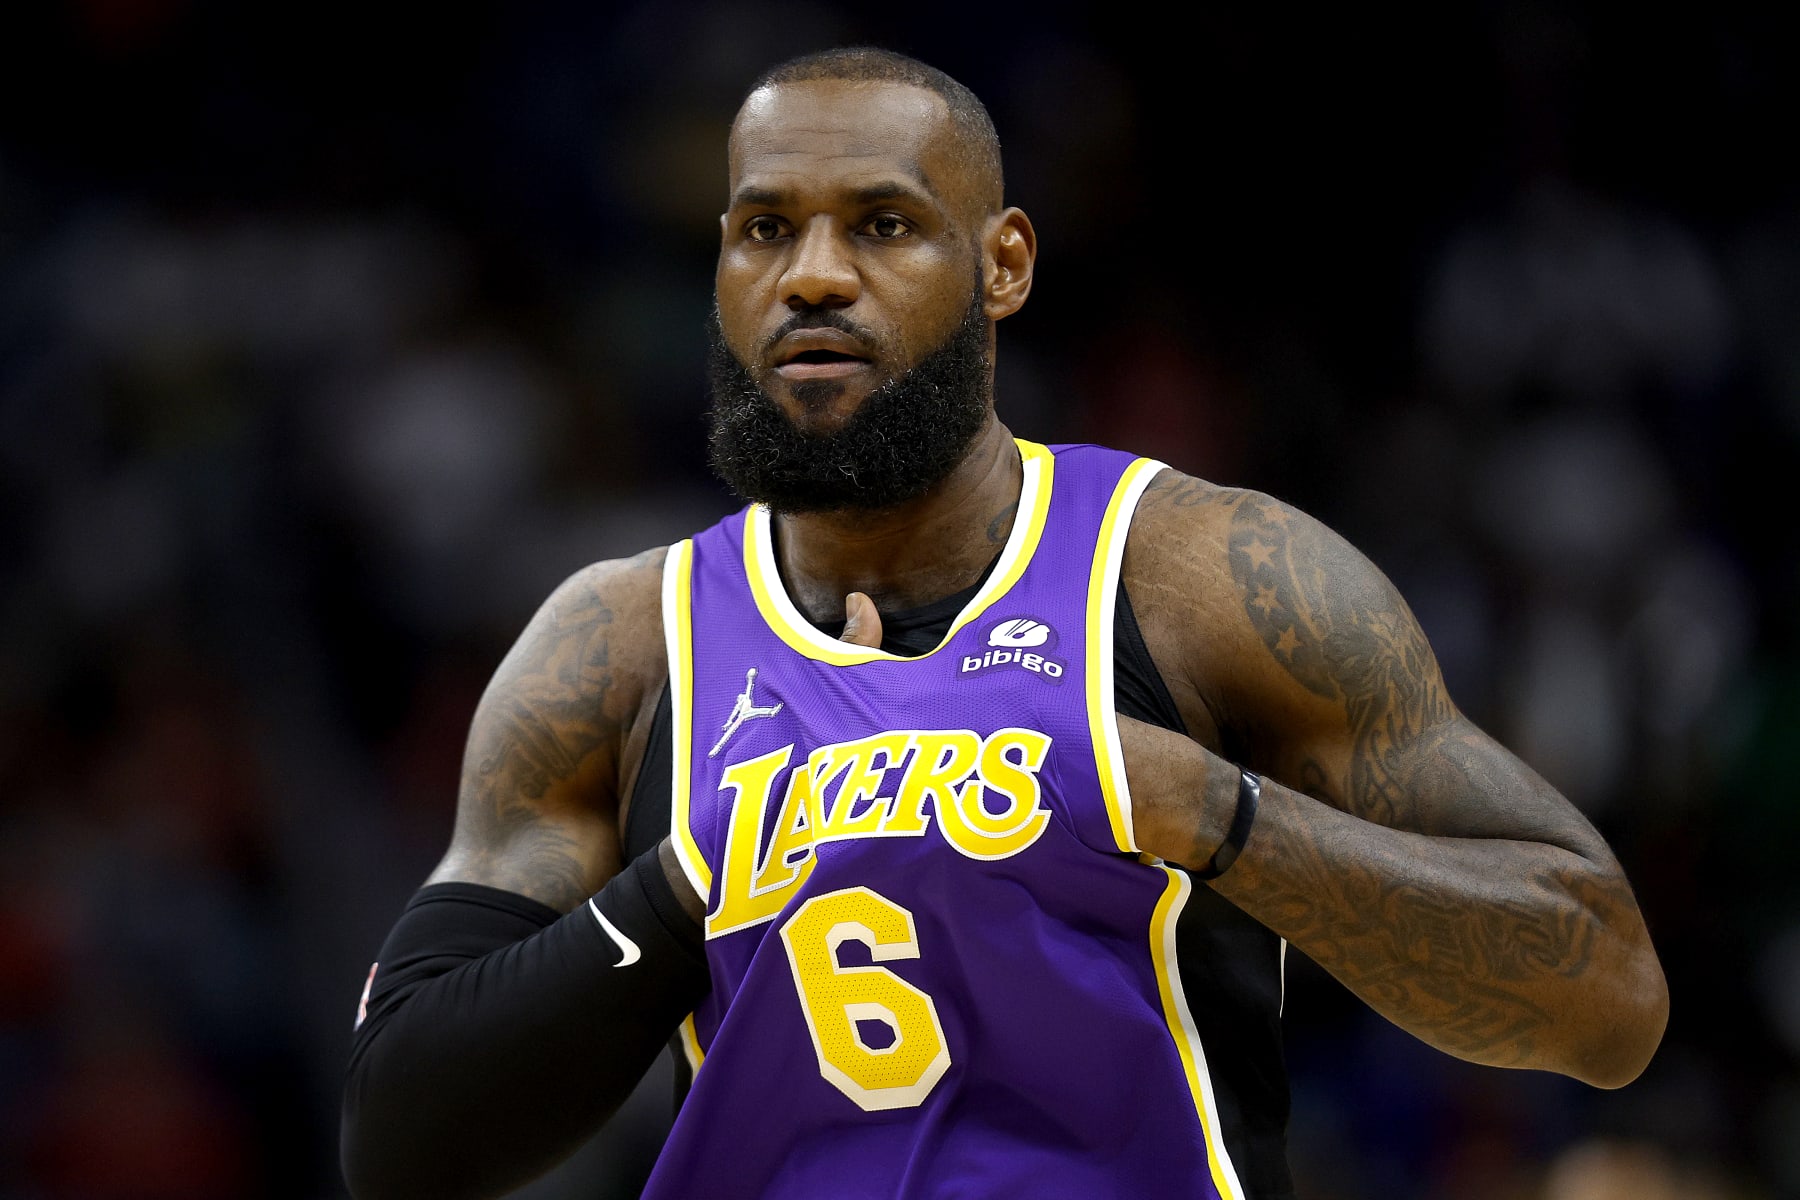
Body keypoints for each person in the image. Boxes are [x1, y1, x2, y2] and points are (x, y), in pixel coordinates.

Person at [338, 46, 1668, 1200]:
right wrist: (698, 868)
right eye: (763, 230)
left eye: (882, 225)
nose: (811, 277)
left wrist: (1216, 812)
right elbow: (398, 1137)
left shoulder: (1198, 576)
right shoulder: (624, 645)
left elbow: (1605, 990)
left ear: (1004, 263)